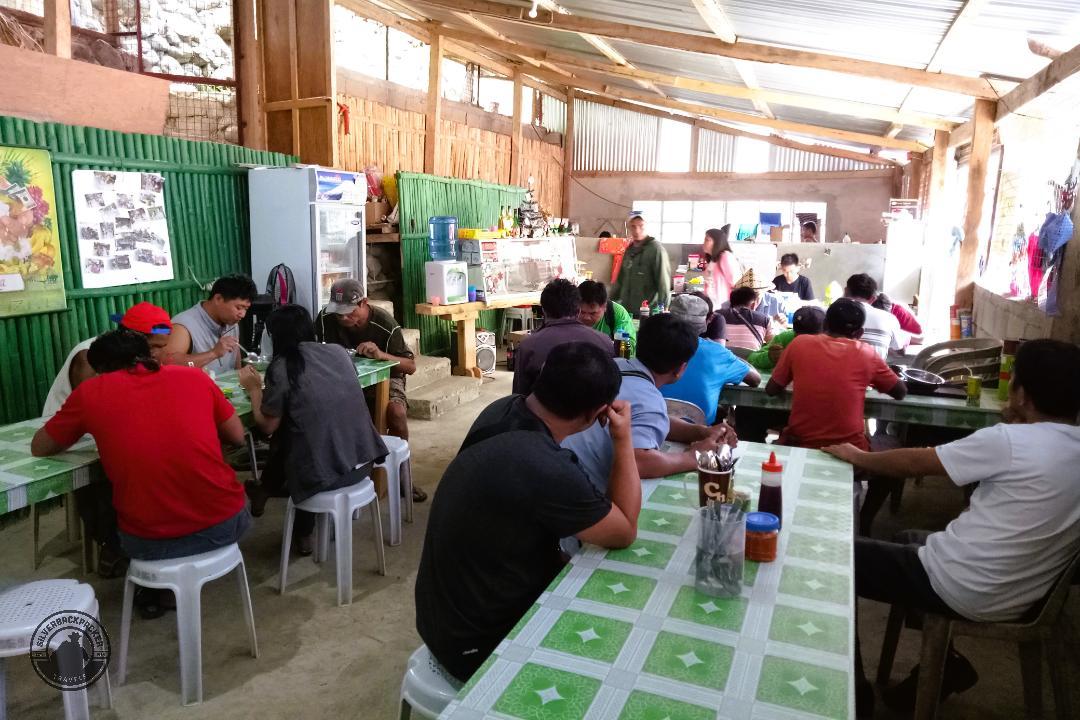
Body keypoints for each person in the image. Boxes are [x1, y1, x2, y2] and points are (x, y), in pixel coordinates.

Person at [823, 339, 1080, 715]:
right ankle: (940, 669)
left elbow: (919, 462)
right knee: (906, 539)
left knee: (834, 557)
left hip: (960, 584)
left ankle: (853, 695)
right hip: (1024, 593)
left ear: (1021, 394)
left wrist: (859, 456)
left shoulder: (1010, 441)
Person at [415, 343, 642, 683]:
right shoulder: (543, 465)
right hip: (475, 645)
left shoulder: (502, 408)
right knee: (623, 635)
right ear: (597, 414)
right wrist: (623, 439)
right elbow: (623, 532)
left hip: (441, 618)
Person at [32, 330, 250, 618]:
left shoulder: (91, 393)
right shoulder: (194, 377)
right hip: (227, 524)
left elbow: (40, 446)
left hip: (148, 542)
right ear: (149, 354)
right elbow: (237, 436)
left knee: (112, 491)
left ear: (100, 370)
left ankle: (143, 576)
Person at [40, 302, 176, 578]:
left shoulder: (135, 359)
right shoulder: (90, 357)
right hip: (70, 435)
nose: (162, 354)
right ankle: (110, 543)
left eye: (163, 346)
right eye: (156, 347)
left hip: (107, 426)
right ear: (134, 339)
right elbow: (94, 409)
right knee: (111, 474)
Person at [240, 305, 389, 556]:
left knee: (291, 434)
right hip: (364, 463)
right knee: (304, 427)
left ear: (276, 336)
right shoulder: (338, 352)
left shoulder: (284, 365)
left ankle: (301, 529)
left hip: (327, 475)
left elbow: (266, 427)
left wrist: (255, 390)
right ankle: (266, 491)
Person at [564, 314, 737, 489]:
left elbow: (644, 418)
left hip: (553, 474)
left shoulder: (614, 366)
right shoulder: (649, 400)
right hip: (580, 494)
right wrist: (692, 457)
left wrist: (699, 432)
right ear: (680, 369)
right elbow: (639, 463)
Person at [314, 279, 422, 500]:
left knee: (396, 413)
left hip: (386, 378)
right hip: (341, 380)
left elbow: (410, 366)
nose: (343, 318)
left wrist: (382, 355)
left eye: (349, 312)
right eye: (338, 313)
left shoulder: (385, 324)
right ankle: (335, 472)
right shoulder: (325, 319)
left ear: (364, 302)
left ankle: (403, 474)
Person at [766, 298, 906, 449]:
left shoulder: (799, 344)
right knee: (894, 442)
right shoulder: (867, 353)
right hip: (851, 452)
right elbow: (900, 392)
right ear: (859, 333)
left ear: (825, 325)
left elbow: (771, 390)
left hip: (802, 446)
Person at [662, 294, 760, 424]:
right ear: (705, 322)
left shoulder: (652, 345)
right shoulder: (717, 353)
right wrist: (728, 355)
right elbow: (755, 379)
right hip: (699, 436)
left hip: (654, 429)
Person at [513, 278, 613, 395]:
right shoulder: (604, 342)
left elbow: (519, 396)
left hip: (541, 412)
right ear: (578, 310)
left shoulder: (529, 345)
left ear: (543, 311)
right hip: (590, 411)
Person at [167, 274, 257, 375]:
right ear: (218, 299)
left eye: (246, 309)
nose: (243, 314)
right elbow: (169, 363)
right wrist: (213, 353)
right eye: (239, 307)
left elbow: (236, 362)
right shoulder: (184, 325)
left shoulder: (231, 321)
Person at [610, 212, 671, 316]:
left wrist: (663, 313)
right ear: (629, 228)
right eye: (633, 226)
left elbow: (663, 284)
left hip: (647, 312)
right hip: (627, 311)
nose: (637, 230)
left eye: (641, 226)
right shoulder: (629, 251)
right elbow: (620, 280)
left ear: (647, 226)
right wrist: (610, 303)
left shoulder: (656, 250)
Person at [845, 273, 906, 359]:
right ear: (873, 299)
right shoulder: (889, 319)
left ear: (845, 291)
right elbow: (899, 350)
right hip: (875, 370)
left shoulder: (831, 313)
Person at [746, 305, 826, 371]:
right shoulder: (785, 338)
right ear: (794, 331)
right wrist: (769, 357)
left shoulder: (832, 345)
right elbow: (752, 359)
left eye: (811, 336)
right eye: (800, 335)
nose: (804, 341)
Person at [578, 279, 636, 355]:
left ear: (604, 307)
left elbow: (629, 349)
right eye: (582, 312)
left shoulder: (617, 313)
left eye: (592, 313)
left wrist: (607, 344)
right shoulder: (569, 312)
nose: (586, 317)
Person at [700, 225, 742, 310]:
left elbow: (736, 283)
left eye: (707, 240)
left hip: (722, 306)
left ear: (717, 242)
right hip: (712, 305)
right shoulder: (713, 260)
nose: (703, 242)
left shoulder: (725, 256)